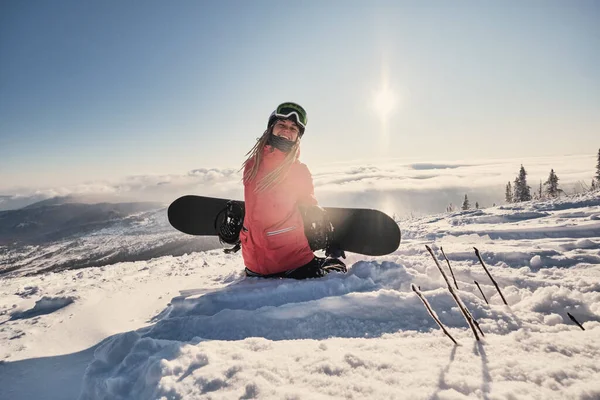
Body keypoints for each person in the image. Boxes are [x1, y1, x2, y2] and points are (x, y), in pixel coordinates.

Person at [238, 102, 347, 279]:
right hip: (291, 263)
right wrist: (327, 234)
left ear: (297, 137)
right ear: (271, 128)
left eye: (293, 129)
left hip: (253, 264)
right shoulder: (298, 170)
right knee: (339, 269)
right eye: (282, 125)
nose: (286, 131)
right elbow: (309, 211)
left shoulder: (252, 164)